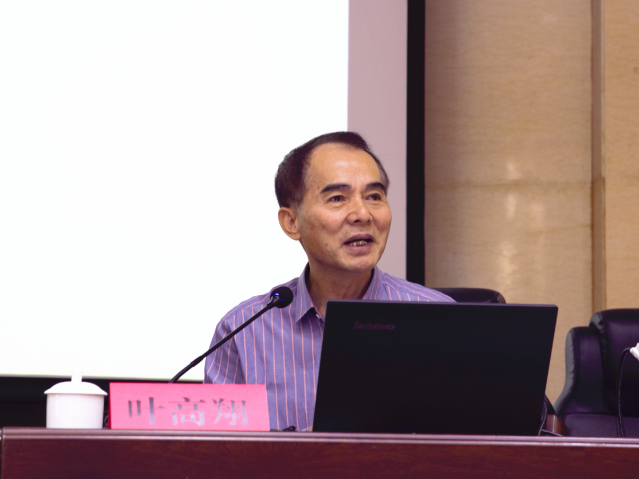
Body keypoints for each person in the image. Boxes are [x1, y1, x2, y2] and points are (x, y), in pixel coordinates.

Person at [204, 132, 453, 431]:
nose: (362, 214)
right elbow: (221, 452)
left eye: (374, 197)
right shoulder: (242, 331)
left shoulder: (441, 319)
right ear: (292, 222)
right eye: (337, 198)